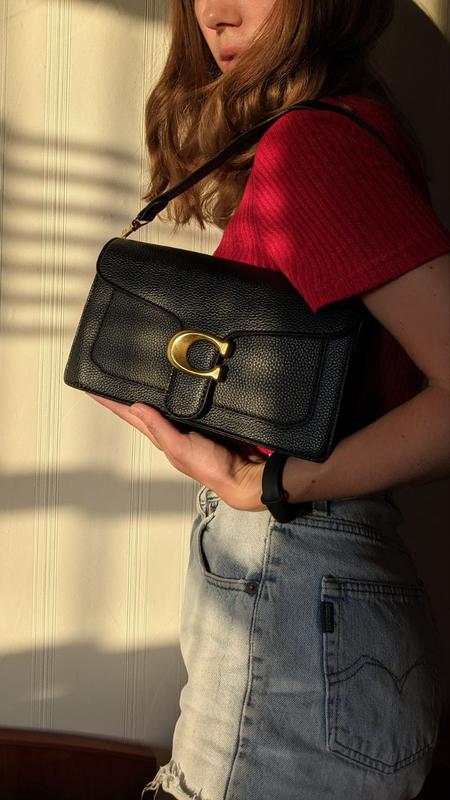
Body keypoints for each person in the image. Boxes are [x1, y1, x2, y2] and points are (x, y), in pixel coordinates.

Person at [88, 1, 450, 798]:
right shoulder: (347, 130)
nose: (215, 13)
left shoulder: (314, 145)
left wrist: (266, 483)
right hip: (311, 604)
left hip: (294, 586)